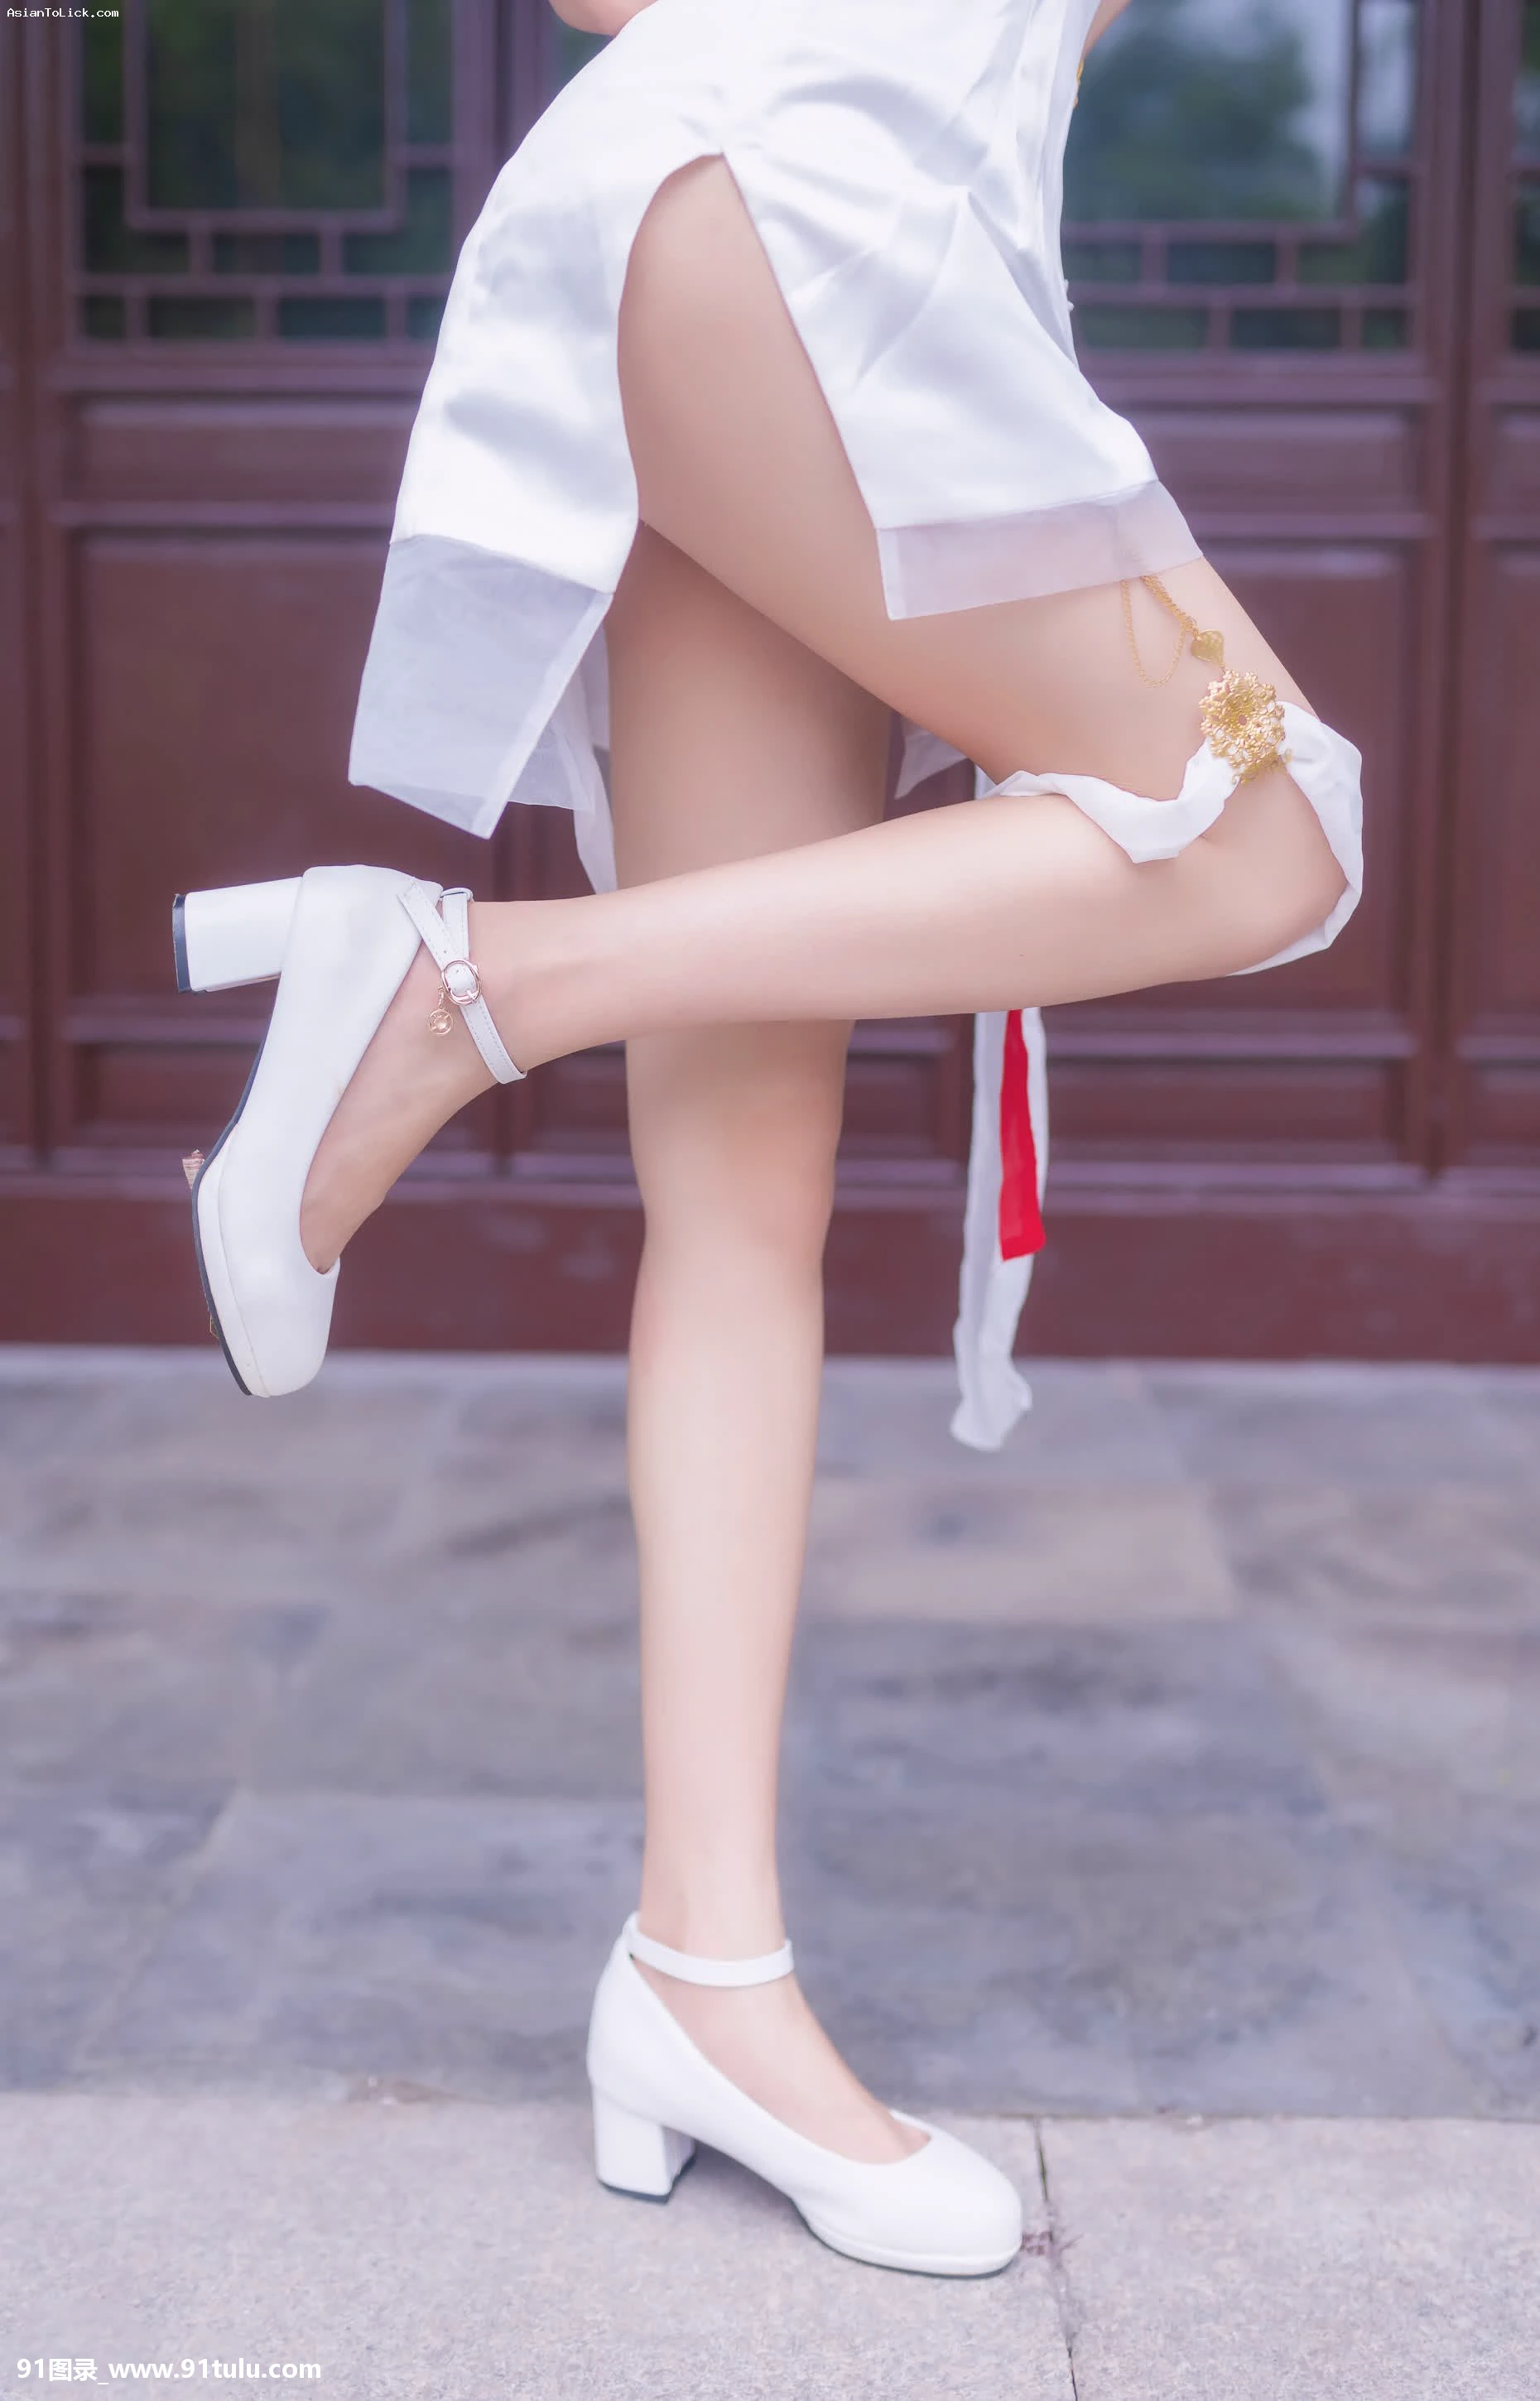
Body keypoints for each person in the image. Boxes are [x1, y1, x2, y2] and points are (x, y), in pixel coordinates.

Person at [171, 0, 1362, 2276]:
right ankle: (468, 988)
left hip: (743, 219)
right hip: (813, 223)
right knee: (1270, 823)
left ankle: (700, 1978)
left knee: (738, 1188)